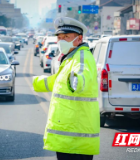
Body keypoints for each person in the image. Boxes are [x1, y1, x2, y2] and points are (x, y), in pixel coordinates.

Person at [32, 17, 100, 160]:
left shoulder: (82, 56)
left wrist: (77, 81)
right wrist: (37, 83)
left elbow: (81, 76)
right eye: (60, 37)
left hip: (76, 138)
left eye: (66, 37)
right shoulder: (70, 57)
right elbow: (59, 81)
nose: (61, 41)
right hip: (69, 136)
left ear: (79, 38)